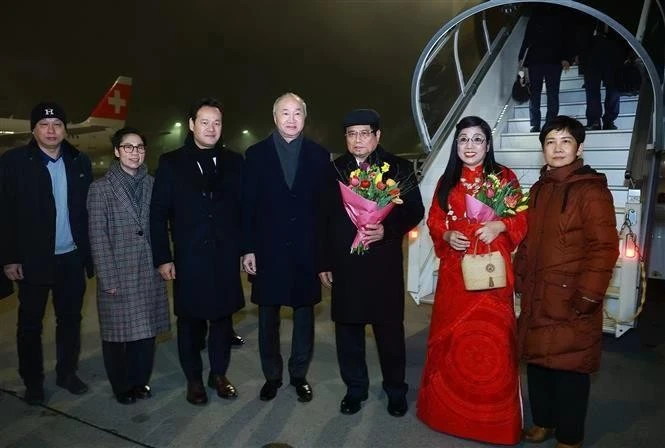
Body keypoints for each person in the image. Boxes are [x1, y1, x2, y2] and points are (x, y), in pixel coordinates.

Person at [417, 116, 527, 445]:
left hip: (491, 276)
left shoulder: (504, 177)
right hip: (455, 275)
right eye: (463, 139)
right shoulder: (446, 181)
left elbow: (522, 214)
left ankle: (493, 424)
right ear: (456, 145)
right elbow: (433, 218)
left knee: (494, 339)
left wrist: (501, 227)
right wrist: (447, 233)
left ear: (488, 144)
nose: (469, 145)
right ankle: (444, 413)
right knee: (450, 340)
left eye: (477, 139)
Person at [515, 116, 619, 448]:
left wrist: (588, 296)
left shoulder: (591, 190)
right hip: (538, 292)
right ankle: (544, 421)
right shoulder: (539, 188)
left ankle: (570, 438)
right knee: (539, 364)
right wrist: (519, 275)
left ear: (579, 147)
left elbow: (604, 247)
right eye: (550, 142)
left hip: (571, 296)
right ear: (542, 148)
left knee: (570, 368)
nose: (557, 149)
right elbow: (529, 240)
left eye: (565, 141)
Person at [318, 109, 424, 417]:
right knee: (348, 333)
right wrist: (323, 261)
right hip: (345, 266)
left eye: (364, 133)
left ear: (377, 136)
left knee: (389, 332)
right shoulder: (334, 170)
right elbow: (322, 219)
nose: (358, 140)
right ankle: (355, 389)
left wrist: (386, 229)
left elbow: (414, 210)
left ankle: (395, 390)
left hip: (383, 265)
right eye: (351, 134)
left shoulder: (398, 168)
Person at [150, 98, 244, 405]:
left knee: (222, 321)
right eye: (204, 122)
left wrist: (246, 250)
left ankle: (218, 374)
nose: (211, 128)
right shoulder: (171, 162)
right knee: (190, 323)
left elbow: (243, 211)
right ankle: (194, 380)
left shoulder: (234, 161)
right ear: (191, 125)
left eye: (216, 122)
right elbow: (158, 212)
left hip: (224, 257)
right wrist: (163, 257)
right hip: (189, 258)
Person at [0, 102, 93, 405]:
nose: (51, 131)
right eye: (44, 125)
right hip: (32, 259)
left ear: (66, 130)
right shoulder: (13, 162)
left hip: (71, 257)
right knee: (30, 324)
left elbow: (86, 211)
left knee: (70, 320)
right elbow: (5, 213)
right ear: (34, 129)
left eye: (57, 125)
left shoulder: (80, 161)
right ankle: (33, 382)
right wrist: (10, 257)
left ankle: (67, 373)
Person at [241, 92, 330, 403]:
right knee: (268, 316)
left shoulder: (320, 156)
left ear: (304, 118)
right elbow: (247, 206)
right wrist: (248, 248)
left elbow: (325, 210)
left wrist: (324, 256)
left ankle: (298, 374)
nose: (291, 119)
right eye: (285, 113)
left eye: (297, 114)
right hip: (268, 250)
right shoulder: (255, 154)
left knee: (304, 315)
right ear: (275, 117)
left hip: (306, 251)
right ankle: (272, 376)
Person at [87, 127, 170, 404]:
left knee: (145, 333)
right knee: (117, 335)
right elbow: (97, 236)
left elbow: (160, 226)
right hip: (118, 272)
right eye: (128, 147)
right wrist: (108, 279)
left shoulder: (152, 184)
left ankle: (139, 381)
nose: (135, 153)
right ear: (116, 152)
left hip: (148, 270)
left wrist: (163, 261)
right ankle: (121, 386)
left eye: (140, 147)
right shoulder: (101, 189)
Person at [518, 4, 574, 132]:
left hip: (547, 59)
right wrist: (522, 57)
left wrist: (566, 57)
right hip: (544, 59)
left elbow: (566, 37)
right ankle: (544, 123)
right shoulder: (552, 11)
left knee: (543, 93)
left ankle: (542, 123)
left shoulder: (553, 11)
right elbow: (529, 36)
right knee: (544, 93)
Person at [578, 19, 628, 130]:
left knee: (613, 90)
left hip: (613, 54)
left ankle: (608, 120)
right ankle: (595, 121)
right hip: (592, 54)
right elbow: (581, 34)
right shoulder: (589, 16)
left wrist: (627, 55)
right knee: (592, 90)